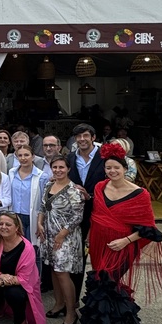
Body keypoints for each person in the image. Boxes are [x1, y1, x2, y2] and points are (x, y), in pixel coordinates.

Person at [80, 143, 162, 324]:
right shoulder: (100, 187)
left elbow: (149, 229)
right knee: (101, 282)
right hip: (100, 244)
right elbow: (95, 216)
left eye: (116, 168)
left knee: (109, 283)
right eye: (108, 168)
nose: (112, 171)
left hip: (122, 247)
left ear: (125, 168)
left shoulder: (140, 194)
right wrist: (90, 237)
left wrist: (126, 240)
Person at [36, 155, 84, 324]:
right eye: (54, 167)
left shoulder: (74, 191)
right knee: (53, 270)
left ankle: (71, 312)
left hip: (65, 237)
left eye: (61, 167)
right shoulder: (49, 185)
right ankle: (58, 304)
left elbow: (77, 216)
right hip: (48, 234)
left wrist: (62, 234)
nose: (58, 170)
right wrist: (39, 223)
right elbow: (42, 206)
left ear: (68, 169)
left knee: (62, 272)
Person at [66, 123, 105, 299]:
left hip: (100, 214)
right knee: (77, 258)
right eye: (78, 137)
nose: (82, 139)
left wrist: (91, 196)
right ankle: (73, 300)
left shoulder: (105, 158)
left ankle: (99, 299)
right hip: (76, 216)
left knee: (100, 258)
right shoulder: (71, 158)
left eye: (85, 136)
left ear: (93, 138)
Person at [7, 146, 49, 254]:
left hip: (32, 217)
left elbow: (44, 201)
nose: (23, 158)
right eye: (20, 155)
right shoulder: (12, 173)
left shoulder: (41, 176)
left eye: (26, 155)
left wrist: (41, 220)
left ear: (33, 157)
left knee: (32, 249)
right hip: (15, 216)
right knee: (16, 248)